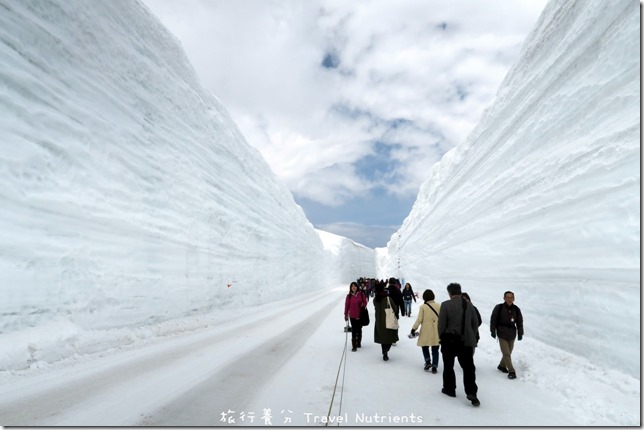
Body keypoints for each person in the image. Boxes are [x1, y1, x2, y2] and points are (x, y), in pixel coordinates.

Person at [437, 282, 480, 407]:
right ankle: (472, 392)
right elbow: (475, 323)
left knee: (448, 366)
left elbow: (441, 325)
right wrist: (469, 334)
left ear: (449, 293)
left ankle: (449, 389)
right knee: (468, 368)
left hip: (449, 342)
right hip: (465, 342)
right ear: (460, 292)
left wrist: (442, 337)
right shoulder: (469, 305)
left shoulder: (445, 305)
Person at [490, 291, 524, 379]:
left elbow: (520, 322)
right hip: (501, 333)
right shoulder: (499, 307)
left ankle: (502, 365)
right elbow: (493, 319)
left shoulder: (516, 309)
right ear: (504, 298)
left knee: (508, 352)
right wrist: (493, 331)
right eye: (507, 297)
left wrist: (520, 333)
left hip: (512, 334)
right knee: (506, 353)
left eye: (511, 297)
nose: (509, 299)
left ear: (514, 299)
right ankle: (511, 371)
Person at [410, 289, 441, 373]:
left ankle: (427, 362)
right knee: (435, 349)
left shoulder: (423, 307)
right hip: (436, 331)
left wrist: (413, 329)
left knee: (424, 346)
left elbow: (419, 320)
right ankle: (434, 366)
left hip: (426, 331)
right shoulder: (439, 306)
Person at [373, 282, 399, 361]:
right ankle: (386, 350)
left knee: (382, 337)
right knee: (389, 337)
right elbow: (394, 308)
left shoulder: (375, 299)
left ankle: (384, 351)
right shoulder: (387, 298)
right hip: (388, 320)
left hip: (379, 321)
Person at [344, 282, 367, 351]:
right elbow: (346, 306)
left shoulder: (361, 294)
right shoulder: (349, 296)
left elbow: (365, 302)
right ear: (350, 288)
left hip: (360, 315)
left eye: (355, 286)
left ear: (357, 287)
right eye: (352, 286)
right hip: (352, 316)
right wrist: (346, 315)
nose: (353, 287)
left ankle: (359, 342)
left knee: (359, 329)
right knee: (354, 329)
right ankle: (354, 346)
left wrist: (363, 304)